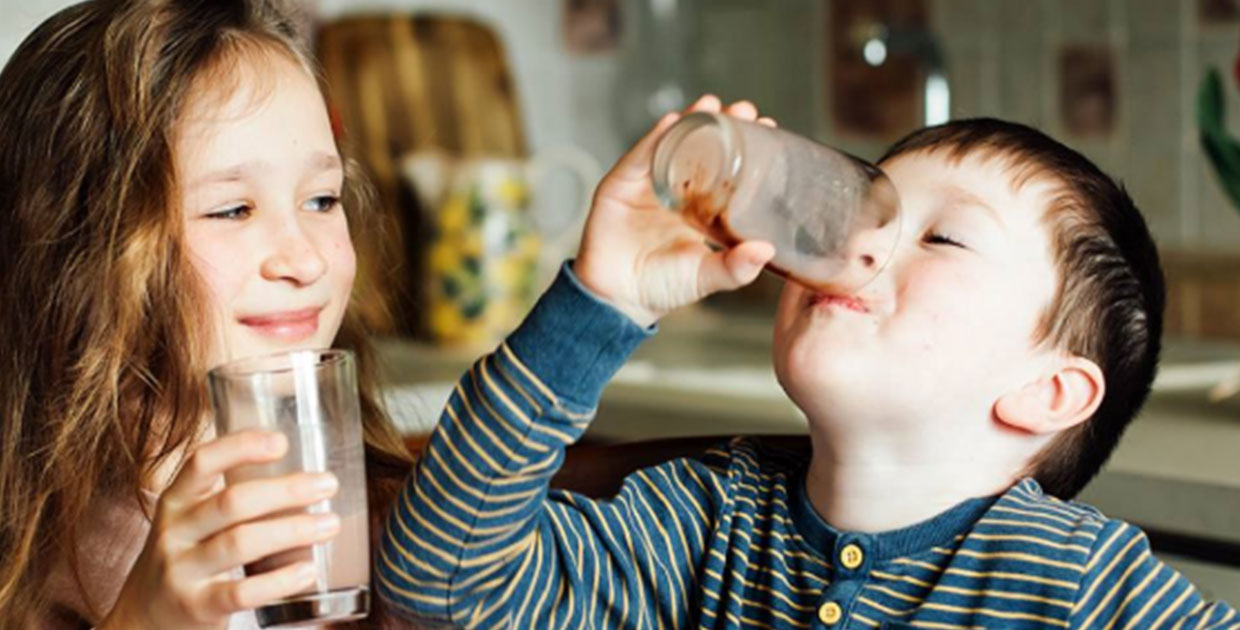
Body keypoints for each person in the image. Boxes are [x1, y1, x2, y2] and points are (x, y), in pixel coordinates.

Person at [377, 96, 1240, 629]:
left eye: (942, 237)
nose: (858, 247)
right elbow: (440, 586)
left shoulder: (1077, 583)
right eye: (862, 214)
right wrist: (607, 298)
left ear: (1047, 392)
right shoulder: (705, 522)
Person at [0, 1, 414, 628]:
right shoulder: (32, 563)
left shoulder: (398, 527)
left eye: (322, 199)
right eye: (232, 210)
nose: (305, 261)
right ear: (78, 250)